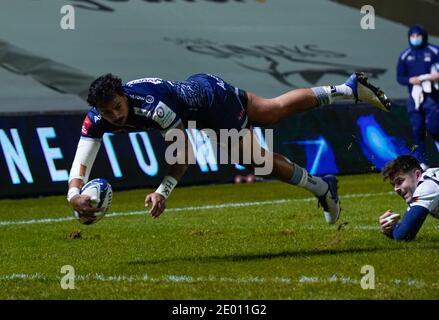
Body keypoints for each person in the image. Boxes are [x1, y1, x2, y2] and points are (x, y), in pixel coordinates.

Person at [67, 72, 391, 223]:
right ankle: (347, 89)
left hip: (211, 104)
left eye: (117, 108)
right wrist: (73, 195)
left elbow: (184, 154)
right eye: (107, 112)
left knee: (254, 162)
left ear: (124, 96)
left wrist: (162, 192)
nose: (115, 117)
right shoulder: (98, 117)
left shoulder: (154, 108)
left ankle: (323, 187)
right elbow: (84, 155)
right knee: (272, 110)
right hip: (204, 86)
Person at [396, 24, 439, 169]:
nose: (415, 39)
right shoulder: (405, 55)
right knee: (417, 129)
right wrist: (410, 80)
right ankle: (422, 163)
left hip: (433, 97)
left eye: (418, 36)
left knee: (434, 128)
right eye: (412, 36)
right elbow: (400, 77)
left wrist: (434, 76)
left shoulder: (434, 51)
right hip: (415, 98)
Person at [379, 155, 439, 241]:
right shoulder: (430, 181)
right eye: (393, 185)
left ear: (418, 175)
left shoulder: (427, 188)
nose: (396, 189)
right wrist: (390, 227)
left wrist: (391, 229)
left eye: (400, 181)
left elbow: (404, 235)